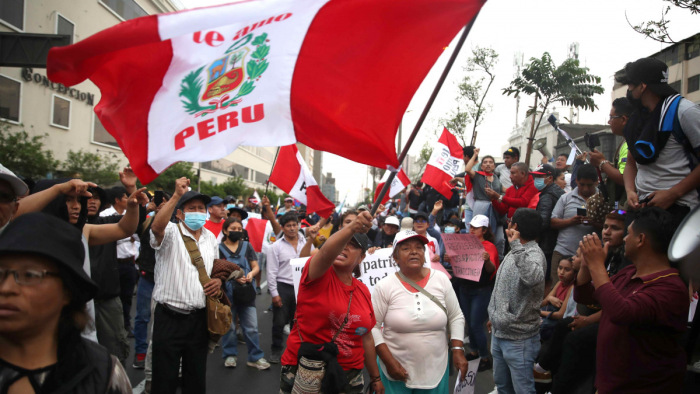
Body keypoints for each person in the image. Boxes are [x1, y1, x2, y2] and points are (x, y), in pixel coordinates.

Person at [0, 212, 132, 393]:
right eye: (0, 274)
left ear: (68, 291)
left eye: (29, 275)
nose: (6, 288)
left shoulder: (103, 372)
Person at [575, 207, 688, 393]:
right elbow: (586, 297)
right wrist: (587, 267)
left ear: (642, 239)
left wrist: (597, 265)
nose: (625, 239)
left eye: (628, 234)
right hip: (609, 384)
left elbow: (622, 312)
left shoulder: (670, 288)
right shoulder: (629, 273)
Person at [280, 211, 384, 394]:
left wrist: (375, 377)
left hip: (350, 376)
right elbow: (327, 252)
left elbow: (366, 336)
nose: (344, 246)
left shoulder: (363, 290)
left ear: (361, 258)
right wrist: (352, 227)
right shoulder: (316, 275)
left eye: (353, 245)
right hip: (308, 370)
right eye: (342, 242)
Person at [149, 178, 223, 394]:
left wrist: (218, 281)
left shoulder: (210, 238)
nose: (198, 212)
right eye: (192, 208)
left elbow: (216, 269)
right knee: (164, 380)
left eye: (202, 208)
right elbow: (156, 227)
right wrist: (176, 195)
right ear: (180, 213)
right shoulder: (171, 232)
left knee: (196, 378)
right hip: (169, 318)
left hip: (199, 320)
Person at [372, 230, 467, 392]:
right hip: (394, 370)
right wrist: (389, 362)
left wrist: (458, 349)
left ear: (425, 254)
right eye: (406, 248)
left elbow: (456, 316)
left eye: (419, 247)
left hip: (436, 368)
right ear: (395, 257)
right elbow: (372, 326)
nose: (414, 251)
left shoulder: (441, 279)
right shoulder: (384, 286)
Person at [618, 57, 700, 225]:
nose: (629, 91)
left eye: (631, 85)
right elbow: (631, 164)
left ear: (642, 86)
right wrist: (630, 190)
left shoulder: (684, 112)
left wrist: (673, 194)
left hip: (679, 210)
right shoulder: (637, 120)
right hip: (642, 210)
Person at [488, 208, 545, 394]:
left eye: (510, 221)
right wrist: (495, 314)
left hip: (519, 339)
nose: (507, 224)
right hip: (500, 334)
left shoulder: (534, 253)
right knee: (503, 387)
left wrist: (516, 246)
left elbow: (532, 277)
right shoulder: (515, 250)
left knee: (523, 390)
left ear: (516, 227)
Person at [217, 217, 270, 370]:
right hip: (227, 293)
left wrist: (251, 275)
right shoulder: (219, 248)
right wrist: (233, 277)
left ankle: (255, 357)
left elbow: (255, 266)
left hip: (246, 292)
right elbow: (216, 271)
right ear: (225, 230)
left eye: (239, 229)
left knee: (251, 327)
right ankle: (230, 355)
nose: (236, 232)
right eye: (233, 229)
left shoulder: (247, 246)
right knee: (230, 326)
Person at [267, 212, 313, 363]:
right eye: (288, 226)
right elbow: (271, 271)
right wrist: (274, 294)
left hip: (301, 288)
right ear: (283, 228)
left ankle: (295, 351)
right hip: (283, 287)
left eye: (294, 225)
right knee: (279, 322)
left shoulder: (305, 243)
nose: (292, 228)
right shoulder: (276, 247)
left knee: (298, 322)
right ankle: (276, 349)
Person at [457, 215, 499, 372]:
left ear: (484, 230)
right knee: (470, 321)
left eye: (476, 227)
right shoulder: (465, 244)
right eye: (471, 227)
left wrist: (487, 260)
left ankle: (485, 357)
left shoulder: (489, 247)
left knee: (476, 324)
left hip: (480, 290)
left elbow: (492, 269)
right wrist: (450, 258)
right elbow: (458, 263)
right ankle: (474, 351)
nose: (472, 230)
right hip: (465, 288)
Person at [549, 164, 600, 286]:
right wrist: (571, 221)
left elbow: (612, 223)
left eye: (590, 185)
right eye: (582, 184)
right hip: (562, 252)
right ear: (576, 180)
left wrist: (594, 222)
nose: (586, 189)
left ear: (596, 182)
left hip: (589, 257)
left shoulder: (603, 199)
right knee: (557, 292)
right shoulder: (565, 198)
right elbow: (553, 222)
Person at [458, 149, 506, 258]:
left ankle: (497, 260)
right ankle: (477, 259)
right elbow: (467, 169)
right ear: (482, 166)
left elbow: (504, 189)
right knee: (479, 236)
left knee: (499, 239)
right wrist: (475, 154)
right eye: (485, 162)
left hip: (496, 209)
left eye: (490, 162)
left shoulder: (496, 178)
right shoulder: (478, 176)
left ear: (494, 165)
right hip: (481, 208)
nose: (488, 164)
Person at [587, 98, 633, 207]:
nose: (609, 122)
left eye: (611, 117)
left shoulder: (630, 145)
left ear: (623, 119)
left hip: (627, 205)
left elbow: (624, 178)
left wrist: (602, 163)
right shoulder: (626, 141)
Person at [535, 164, 566, 283]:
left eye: (540, 177)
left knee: (544, 281)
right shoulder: (558, 191)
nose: (536, 180)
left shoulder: (547, 196)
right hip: (556, 241)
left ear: (550, 178)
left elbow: (543, 222)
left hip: (547, 243)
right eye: (535, 177)